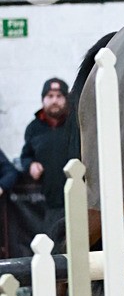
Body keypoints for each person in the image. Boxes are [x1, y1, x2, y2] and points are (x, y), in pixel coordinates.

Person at [19, 78, 72, 234]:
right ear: (43, 99)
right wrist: (30, 165)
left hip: (82, 203)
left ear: (66, 99)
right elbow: (25, 155)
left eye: (59, 96)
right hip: (51, 205)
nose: (54, 100)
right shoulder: (33, 128)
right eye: (50, 96)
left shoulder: (76, 124)